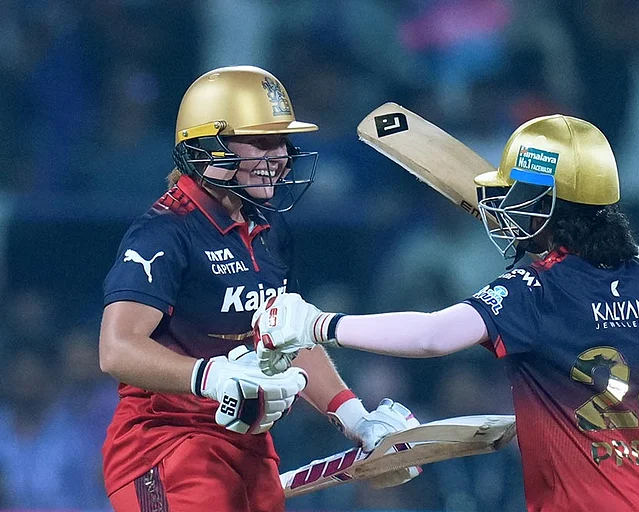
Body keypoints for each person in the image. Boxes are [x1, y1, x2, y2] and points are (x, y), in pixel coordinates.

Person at [254, 114, 639, 511]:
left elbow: (432, 335)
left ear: (548, 208)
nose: (510, 210)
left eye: (521, 198)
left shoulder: (535, 288)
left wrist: (320, 324)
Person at [98, 65, 418, 512]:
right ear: (209, 148)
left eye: (282, 142)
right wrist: (211, 376)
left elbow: (287, 336)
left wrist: (355, 418)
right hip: (166, 445)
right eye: (263, 142)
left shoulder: (270, 228)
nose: (282, 156)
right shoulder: (165, 233)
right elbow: (116, 350)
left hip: (249, 446)